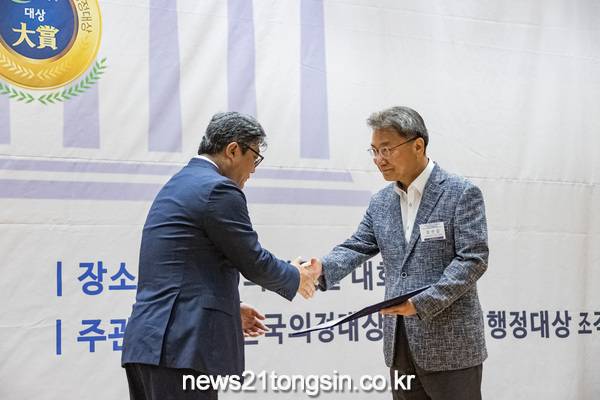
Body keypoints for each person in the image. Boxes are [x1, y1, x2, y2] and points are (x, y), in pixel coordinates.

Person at [121, 111, 320, 400]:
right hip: (180, 348)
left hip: (149, 344)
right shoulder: (218, 189)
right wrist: (296, 275)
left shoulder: (180, 183)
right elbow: (253, 261)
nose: (253, 170)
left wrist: (229, 309)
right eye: (255, 158)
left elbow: (182, 269)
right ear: (233, 150)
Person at [308, 106, 489, 399]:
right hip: (400, 343)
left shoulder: (460, 192)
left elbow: (473, 259)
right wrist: (321, 268)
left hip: (451, 346)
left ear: (418, 145)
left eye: (386, 149)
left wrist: (422, 302)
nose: (379, 159)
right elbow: (357, 245)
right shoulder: (381, 202)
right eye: (374, 151)